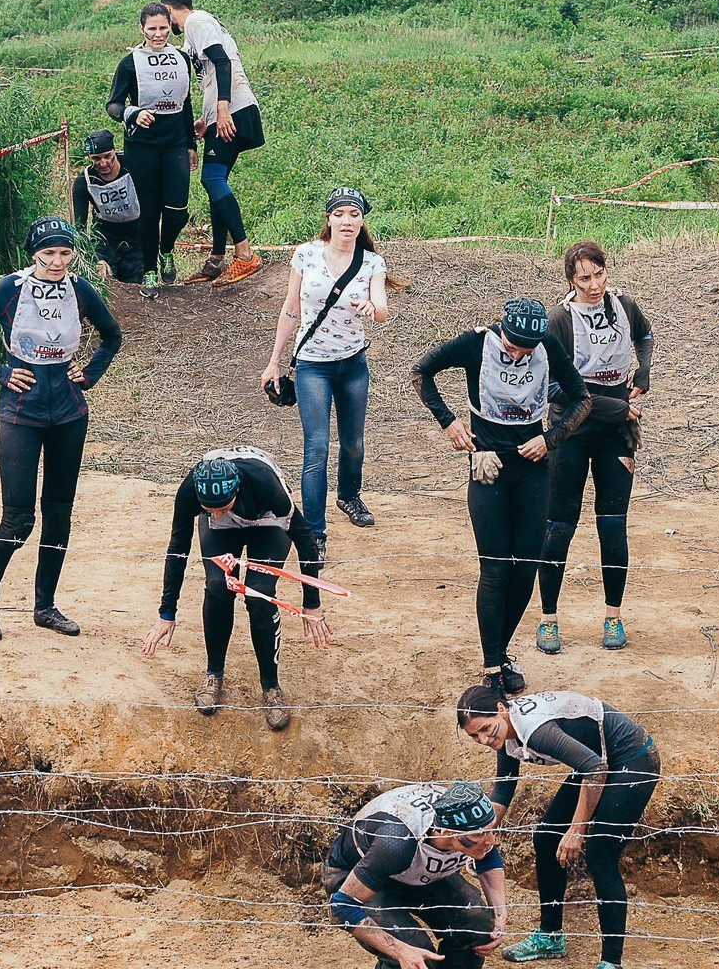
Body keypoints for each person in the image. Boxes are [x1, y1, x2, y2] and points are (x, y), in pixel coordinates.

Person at [0, 215, 120, 641]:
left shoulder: (80, 289)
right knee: (18, 519)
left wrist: (89, 374)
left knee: (58, 514)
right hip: (20, 413)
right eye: (48, 253)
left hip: (69, 413)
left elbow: (111, 336)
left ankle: (45, 607)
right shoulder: (10, 289)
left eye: (64, 252)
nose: (57, 261)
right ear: (34, 254)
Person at [417, 300, 591, 696]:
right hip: (488, 466)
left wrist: (550, 439)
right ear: (502, 331)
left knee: (526, 568)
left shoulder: (547, 346)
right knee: (495, 569)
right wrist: (449, 423)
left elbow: (582, 399)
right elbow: (421, 372)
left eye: (526, 351)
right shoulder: (476, 343)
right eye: (512, 347)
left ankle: (501, 651)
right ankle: (492, 666)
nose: (516, 356)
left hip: (532, 468)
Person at [455, 686, 658, 969]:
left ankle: (612, 967)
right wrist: (480, 833)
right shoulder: (504, 732)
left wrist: (576, 830)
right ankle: (550, 936)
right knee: (546, 838)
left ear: (501, 709)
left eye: (485, 729)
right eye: (474, 736)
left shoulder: (535, 730)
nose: (483, 739)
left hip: (632, 758)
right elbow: (503, 790)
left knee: (600, 855)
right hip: (597, 763)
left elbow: (595, 770)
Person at [139, 448, 332, 731]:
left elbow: (305, 539)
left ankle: (271, 688)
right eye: (209, 509)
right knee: (218, 586)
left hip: (266, 522)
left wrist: (311, 603)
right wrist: (167, 612)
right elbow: (178, 548)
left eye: (222, 506)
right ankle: (213, 674)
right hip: (223, 531)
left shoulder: (266, 485)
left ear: (237, 490)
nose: (216, 513)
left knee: (259, 593)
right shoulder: (191, 490)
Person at [535, 241, 654, 655]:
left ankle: (613, 616)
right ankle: (548, 619)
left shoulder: (624, 304)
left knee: (612, 525)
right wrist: (615, 407)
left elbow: (645, 335)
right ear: (571, 280)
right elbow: (554, 388)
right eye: (583, 278)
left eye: (598, 274)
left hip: (616, 433)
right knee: (558, 527)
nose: (593, 285)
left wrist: (644, 371)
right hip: (570, 431)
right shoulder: (559, 319)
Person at [322, 779, 507, 969]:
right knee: (413, 946)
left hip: (416, 870)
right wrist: (401, 951)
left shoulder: (468, 822)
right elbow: (342, 906)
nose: (491, 840)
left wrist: (499, 911)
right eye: (480, 835)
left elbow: (487, 855)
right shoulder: (397, 842)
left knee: (476, 922)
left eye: (491, 830)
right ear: (445, 832)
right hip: (359, 877)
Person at [260, 187, 388, 559]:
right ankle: (313, 534)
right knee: (316, 448)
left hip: (353, 365)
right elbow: (290, 308)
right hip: (312, 366)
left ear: (362, 221)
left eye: (354, 214)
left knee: (353, 443)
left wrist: (372, 307)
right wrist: (274, 361)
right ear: (328, 219)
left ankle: (349, 495)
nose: (347, 221)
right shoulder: (306, 254)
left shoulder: (371, 263)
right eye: (340, 214)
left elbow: (382, 310)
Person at [162, 0, 264, 285]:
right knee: (215, 182)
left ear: (170, 9)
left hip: (234, 108)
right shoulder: (196, 30)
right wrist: (206, 117)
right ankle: (217, 259)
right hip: (224, 112)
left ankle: (245, 255)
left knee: (212, 179)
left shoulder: (196, 21)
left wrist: (222, 108)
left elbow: (222, 61)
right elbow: (210, 72)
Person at [106, 3, 196, 298]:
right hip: (141, 145)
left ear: (171, 26)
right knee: (149, 210)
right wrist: (132, 113)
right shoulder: (129, 63)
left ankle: (166, 250)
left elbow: (186, 104)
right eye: (152, 29)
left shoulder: (181, 58)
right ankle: (149, 272)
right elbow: (113, 104)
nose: (158, 34)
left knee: (178, 211)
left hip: (175, 143)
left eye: (163, 28)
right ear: (141, 29)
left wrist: (191, 144)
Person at [70, 130, 144, 285]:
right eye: (96, 158)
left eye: (107, 156)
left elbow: (154, 199)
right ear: (89, 157)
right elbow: (79, 226)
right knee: (106, 280)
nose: (103, 163)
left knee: (135, 282)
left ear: (114, 151)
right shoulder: (84, 181)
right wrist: (94, 258)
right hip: (104, 235)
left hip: (137, 232)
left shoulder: (133, 166)